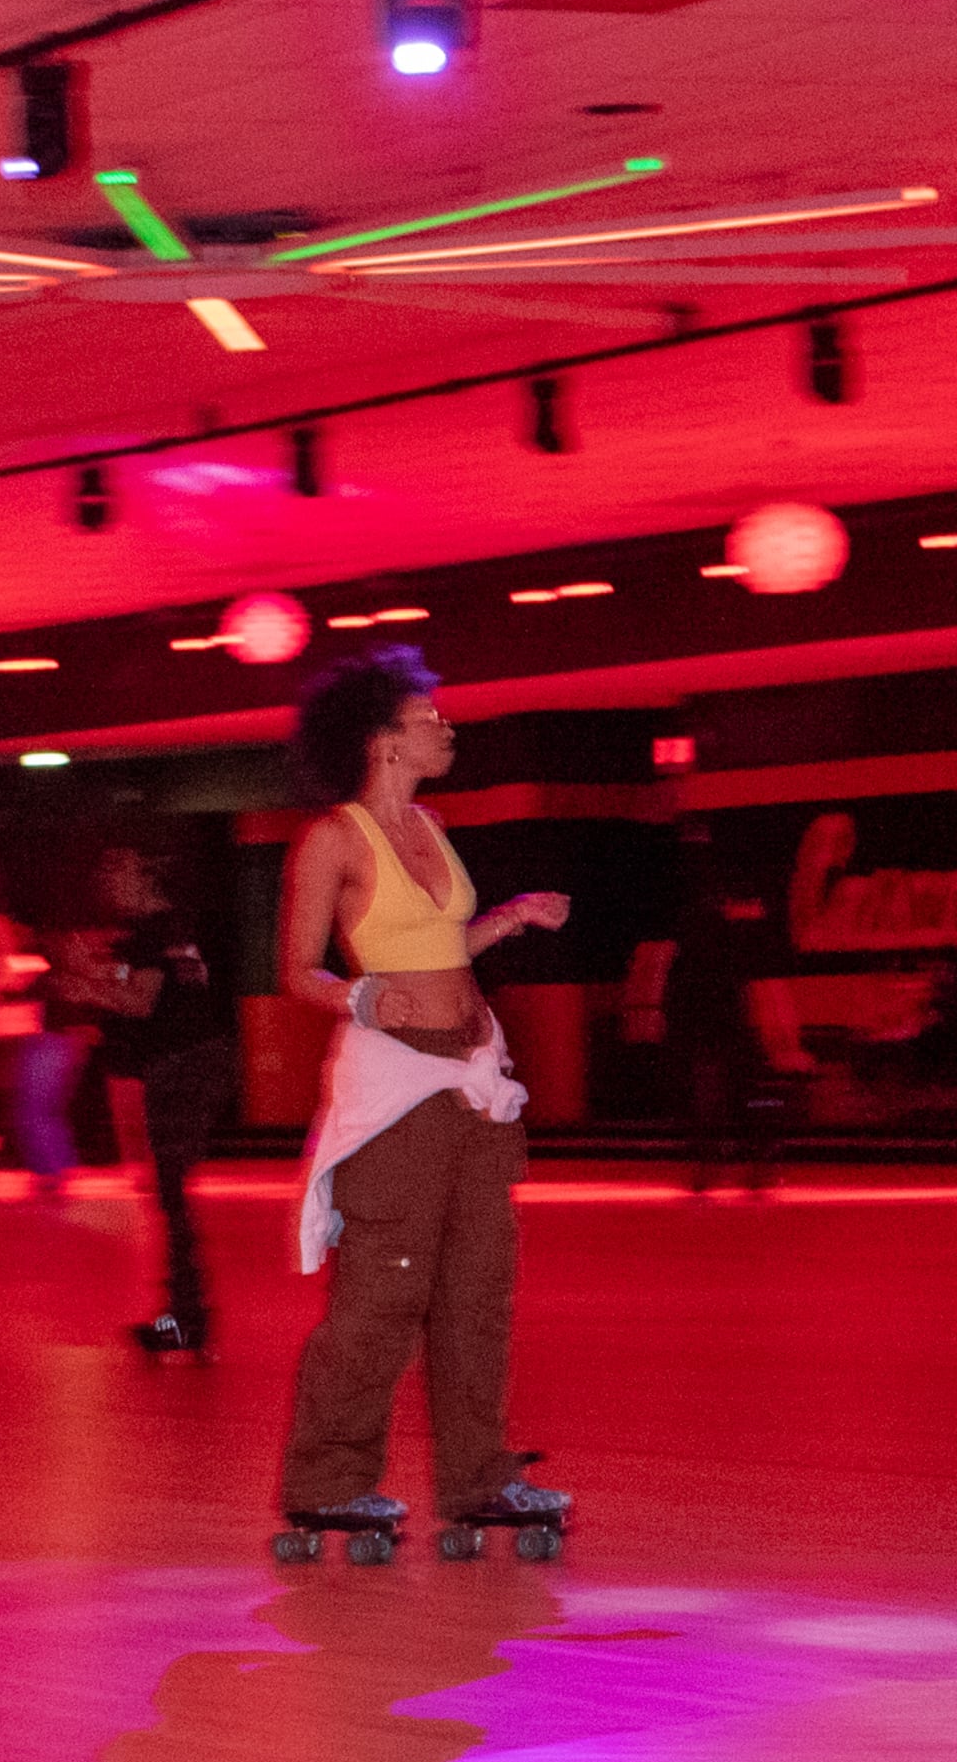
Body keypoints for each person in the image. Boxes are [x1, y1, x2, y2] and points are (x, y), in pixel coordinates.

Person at [274, 650, 572, 1550]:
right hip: (396, 1084)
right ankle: (328, 1480)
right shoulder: (333, 838)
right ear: (382, 740)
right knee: (383, 1293)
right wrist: (359, 996)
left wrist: (511, 917)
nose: (446, 728)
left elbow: (446, 945)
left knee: (481, 1289)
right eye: (429, 718)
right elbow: (295, 970)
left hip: (472, 1078)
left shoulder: (433, 824)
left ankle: (479, 1479)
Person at [78, 843, 234, 1355]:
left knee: (171, 1193)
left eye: (116, 871)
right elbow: (141, 987)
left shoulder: (150, 932)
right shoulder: (167, 930)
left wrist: (82, 989)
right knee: (170, 1192)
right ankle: (186, 1315)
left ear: (142, 877)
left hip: (182, 1064)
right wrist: (99, 976)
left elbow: (139, 1002)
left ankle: (186, 1318)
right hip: (196, 1059)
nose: (108, 883)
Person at [623, 824, 809, 1194]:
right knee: (733, 1088)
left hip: (705, 1007)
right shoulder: (716, 906)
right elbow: (741, 957)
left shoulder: (690, 911)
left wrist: (669, 1013)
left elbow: (690, 964)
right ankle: (747, 1163)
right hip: (719, 1006)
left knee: (713, 1091)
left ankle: (721, 1164)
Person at [0, 868, 81, 1192]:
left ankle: (53, 1172)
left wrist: (27, 967)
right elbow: (0, 976)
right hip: (31, 1027)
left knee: (32, 1107)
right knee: (34, 1107)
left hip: (29, 1028)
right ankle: (53, 1171)